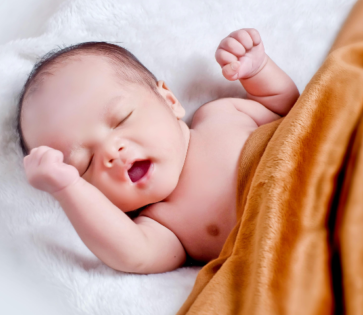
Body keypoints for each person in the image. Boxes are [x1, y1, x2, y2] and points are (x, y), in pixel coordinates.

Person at [17, 28, 299, 274]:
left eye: (121, 119)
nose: (112, 152)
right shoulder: (164, 226)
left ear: (169, 100)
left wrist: (259, 69)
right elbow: (131, 254)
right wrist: (67, 189)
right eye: (85, 163)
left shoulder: (221, 114)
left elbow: (288, 110)